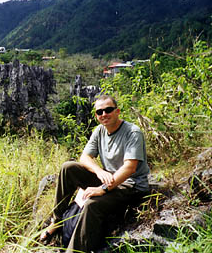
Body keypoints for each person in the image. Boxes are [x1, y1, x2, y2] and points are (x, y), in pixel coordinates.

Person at [40, 95, 150, 252]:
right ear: (96, 116)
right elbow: (85, 157)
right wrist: (99, 171)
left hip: (131, 186)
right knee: (68, 167)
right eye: (100, 112)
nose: (104, 114)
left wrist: (102, 189)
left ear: (117, 111)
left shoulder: (132, 132)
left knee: (92, 204)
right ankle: (56, 221)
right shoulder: (100, 131)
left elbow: (129, 168)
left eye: (108, 110)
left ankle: (74, 251)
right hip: (109, 179)